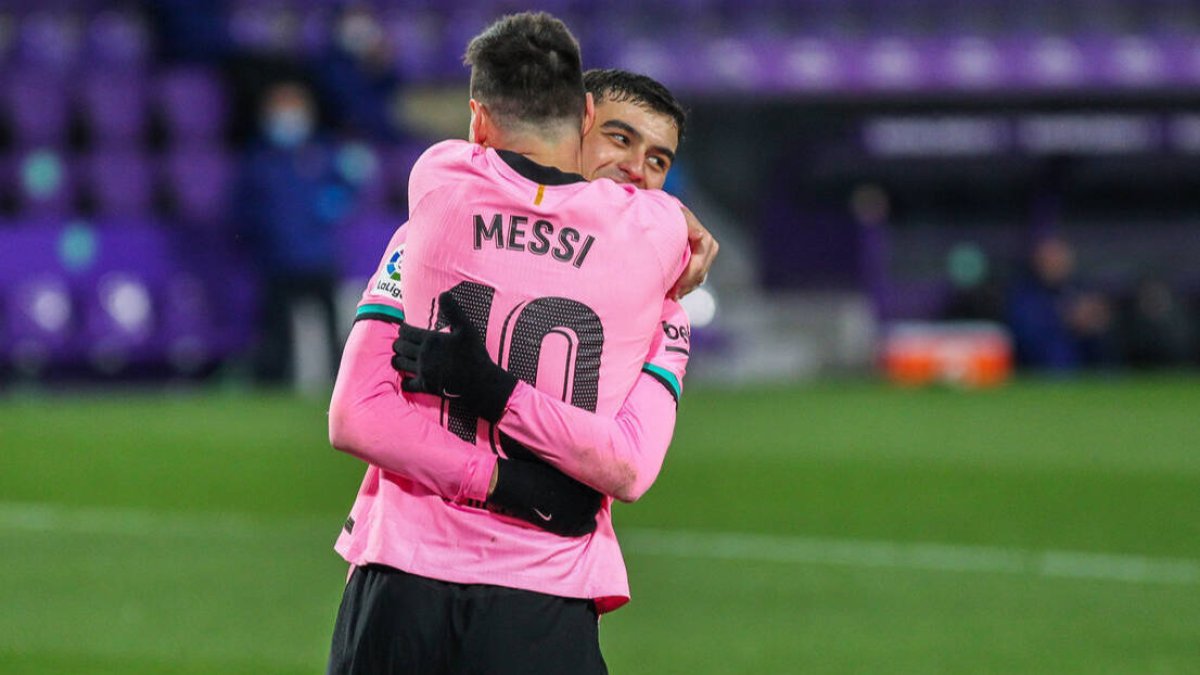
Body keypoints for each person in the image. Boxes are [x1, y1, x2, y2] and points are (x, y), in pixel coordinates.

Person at [326, 13, 712, 674]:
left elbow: (631, 465)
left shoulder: (432, 209)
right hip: (529, 588)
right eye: (619, 139)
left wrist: (496, 395)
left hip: (408, 580)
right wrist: (514, 483)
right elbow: (621, 466)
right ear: (579, 121)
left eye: (658, 162)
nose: (636, 173)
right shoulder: (662, 265)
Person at [236, 81, 354, 384]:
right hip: (279, 261)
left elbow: (346, 187)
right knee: (276, 333)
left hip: (319, 257)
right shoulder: (258, 161)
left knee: (333, 331)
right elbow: (243, 211)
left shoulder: (321, 153)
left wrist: (342, 194)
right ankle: (273, 386)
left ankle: (339, 385)